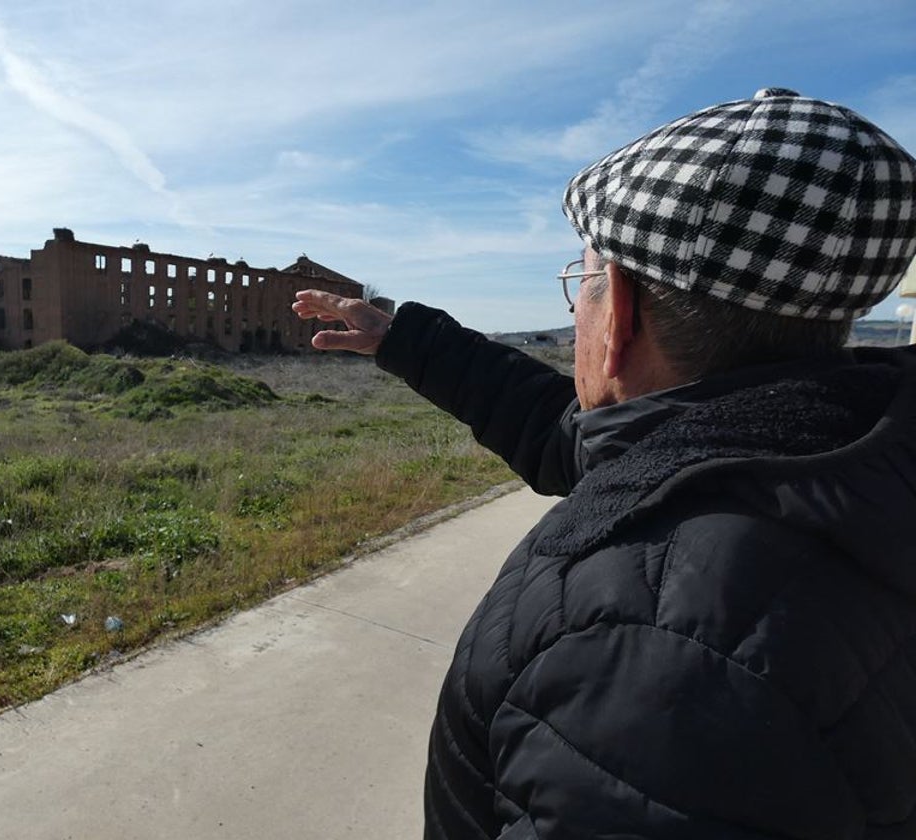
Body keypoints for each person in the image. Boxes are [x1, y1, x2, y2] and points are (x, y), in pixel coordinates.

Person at [293, 88, 916, 839]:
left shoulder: (644, 645)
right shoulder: (838, 447)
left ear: (616, 308)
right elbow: (578, 438)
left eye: (579, 282)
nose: (576, 309)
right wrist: (405, 341)